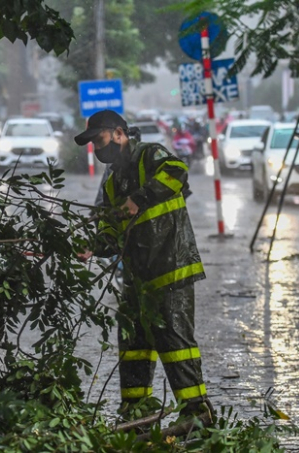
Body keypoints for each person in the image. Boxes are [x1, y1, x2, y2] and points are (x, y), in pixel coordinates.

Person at [76, 110, 213, 422]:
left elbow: (178, 171)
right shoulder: (112, 182)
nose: (98, 148)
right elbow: (111, 233)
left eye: (100, 139)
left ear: (119, 133)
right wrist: (93, 247)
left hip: (171, 270)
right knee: (132, 342)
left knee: (174, 341)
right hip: (137, 280)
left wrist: (140, 197)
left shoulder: (149, 155)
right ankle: (135, 413)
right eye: (93, 144)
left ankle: (196, 414)